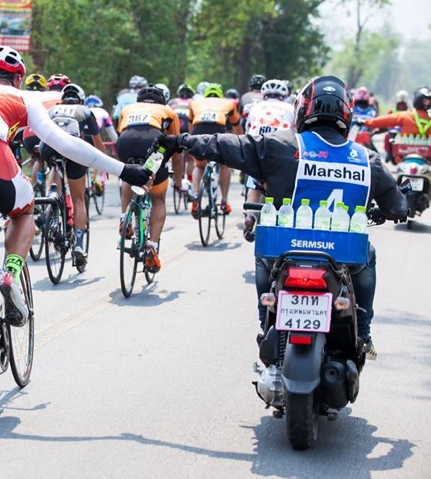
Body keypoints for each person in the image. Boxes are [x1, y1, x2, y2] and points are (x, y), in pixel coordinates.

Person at [157, 75, 408, 357]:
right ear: (346, 113)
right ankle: (363, 333)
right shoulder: (367, 159)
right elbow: (397, 207)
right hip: (342, 252)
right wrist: (398, 204)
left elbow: (226, 145)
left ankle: (266, 322)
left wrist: (181, 141)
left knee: (263, 256)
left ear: (303, 110)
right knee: (368, 255)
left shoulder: (278, 145)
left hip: (285, 245)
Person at [0, 46, 151, 365]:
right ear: (17, 78)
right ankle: (10, 274)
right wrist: (123, 170)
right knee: (24, 213)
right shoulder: (25, 98)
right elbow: (65, 143)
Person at [40, 83, 106, 270]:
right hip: (75, 150)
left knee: (56, 165)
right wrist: (101, 166)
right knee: (78, 199)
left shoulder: (52, 109)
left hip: (50, 149)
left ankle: (53, 202)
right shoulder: (85, 111)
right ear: (81, 100)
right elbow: (98, 145)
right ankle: (78, 243)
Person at [116, 84, 180, 273]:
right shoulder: (167, 110)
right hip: (151, 143)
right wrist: (178, 180)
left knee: (130, 172)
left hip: (125, 143)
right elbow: (177, 150)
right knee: (158, 198)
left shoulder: (127, 109)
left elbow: (122, 132)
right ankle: (152, 245)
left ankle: (123, 218)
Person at [242, 79, 295, 241]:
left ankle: (250, 215)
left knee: (255, 179)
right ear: (284, 96)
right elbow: (296, 133)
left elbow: (247, 129)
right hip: (281, 144)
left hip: (257, 142)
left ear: (264, 95)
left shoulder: (254, 107)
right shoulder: (291, 107)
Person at [186, 82, 243, 217]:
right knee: (224, 165)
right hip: (217, 131)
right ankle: (224, 201)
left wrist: (191, 142)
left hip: (198, 131)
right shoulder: (228, 103)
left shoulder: (195, 103)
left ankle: (195, 198)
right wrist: (240, 141)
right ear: (220, 95)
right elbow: (236, 125)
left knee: (199, 166)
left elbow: (190, 126)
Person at [363, 86, 431, 163]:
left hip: (404, 160)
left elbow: (382, 120)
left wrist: (366, 122)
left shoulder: (406, 115)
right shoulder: (403, 113)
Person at [167, 83, 196, 195]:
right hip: (188, 127)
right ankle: (189, 181)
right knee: (190, 159)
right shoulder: (193, 102)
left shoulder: (172, 102)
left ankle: (175, 174)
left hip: (175, 125)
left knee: (176, 154)